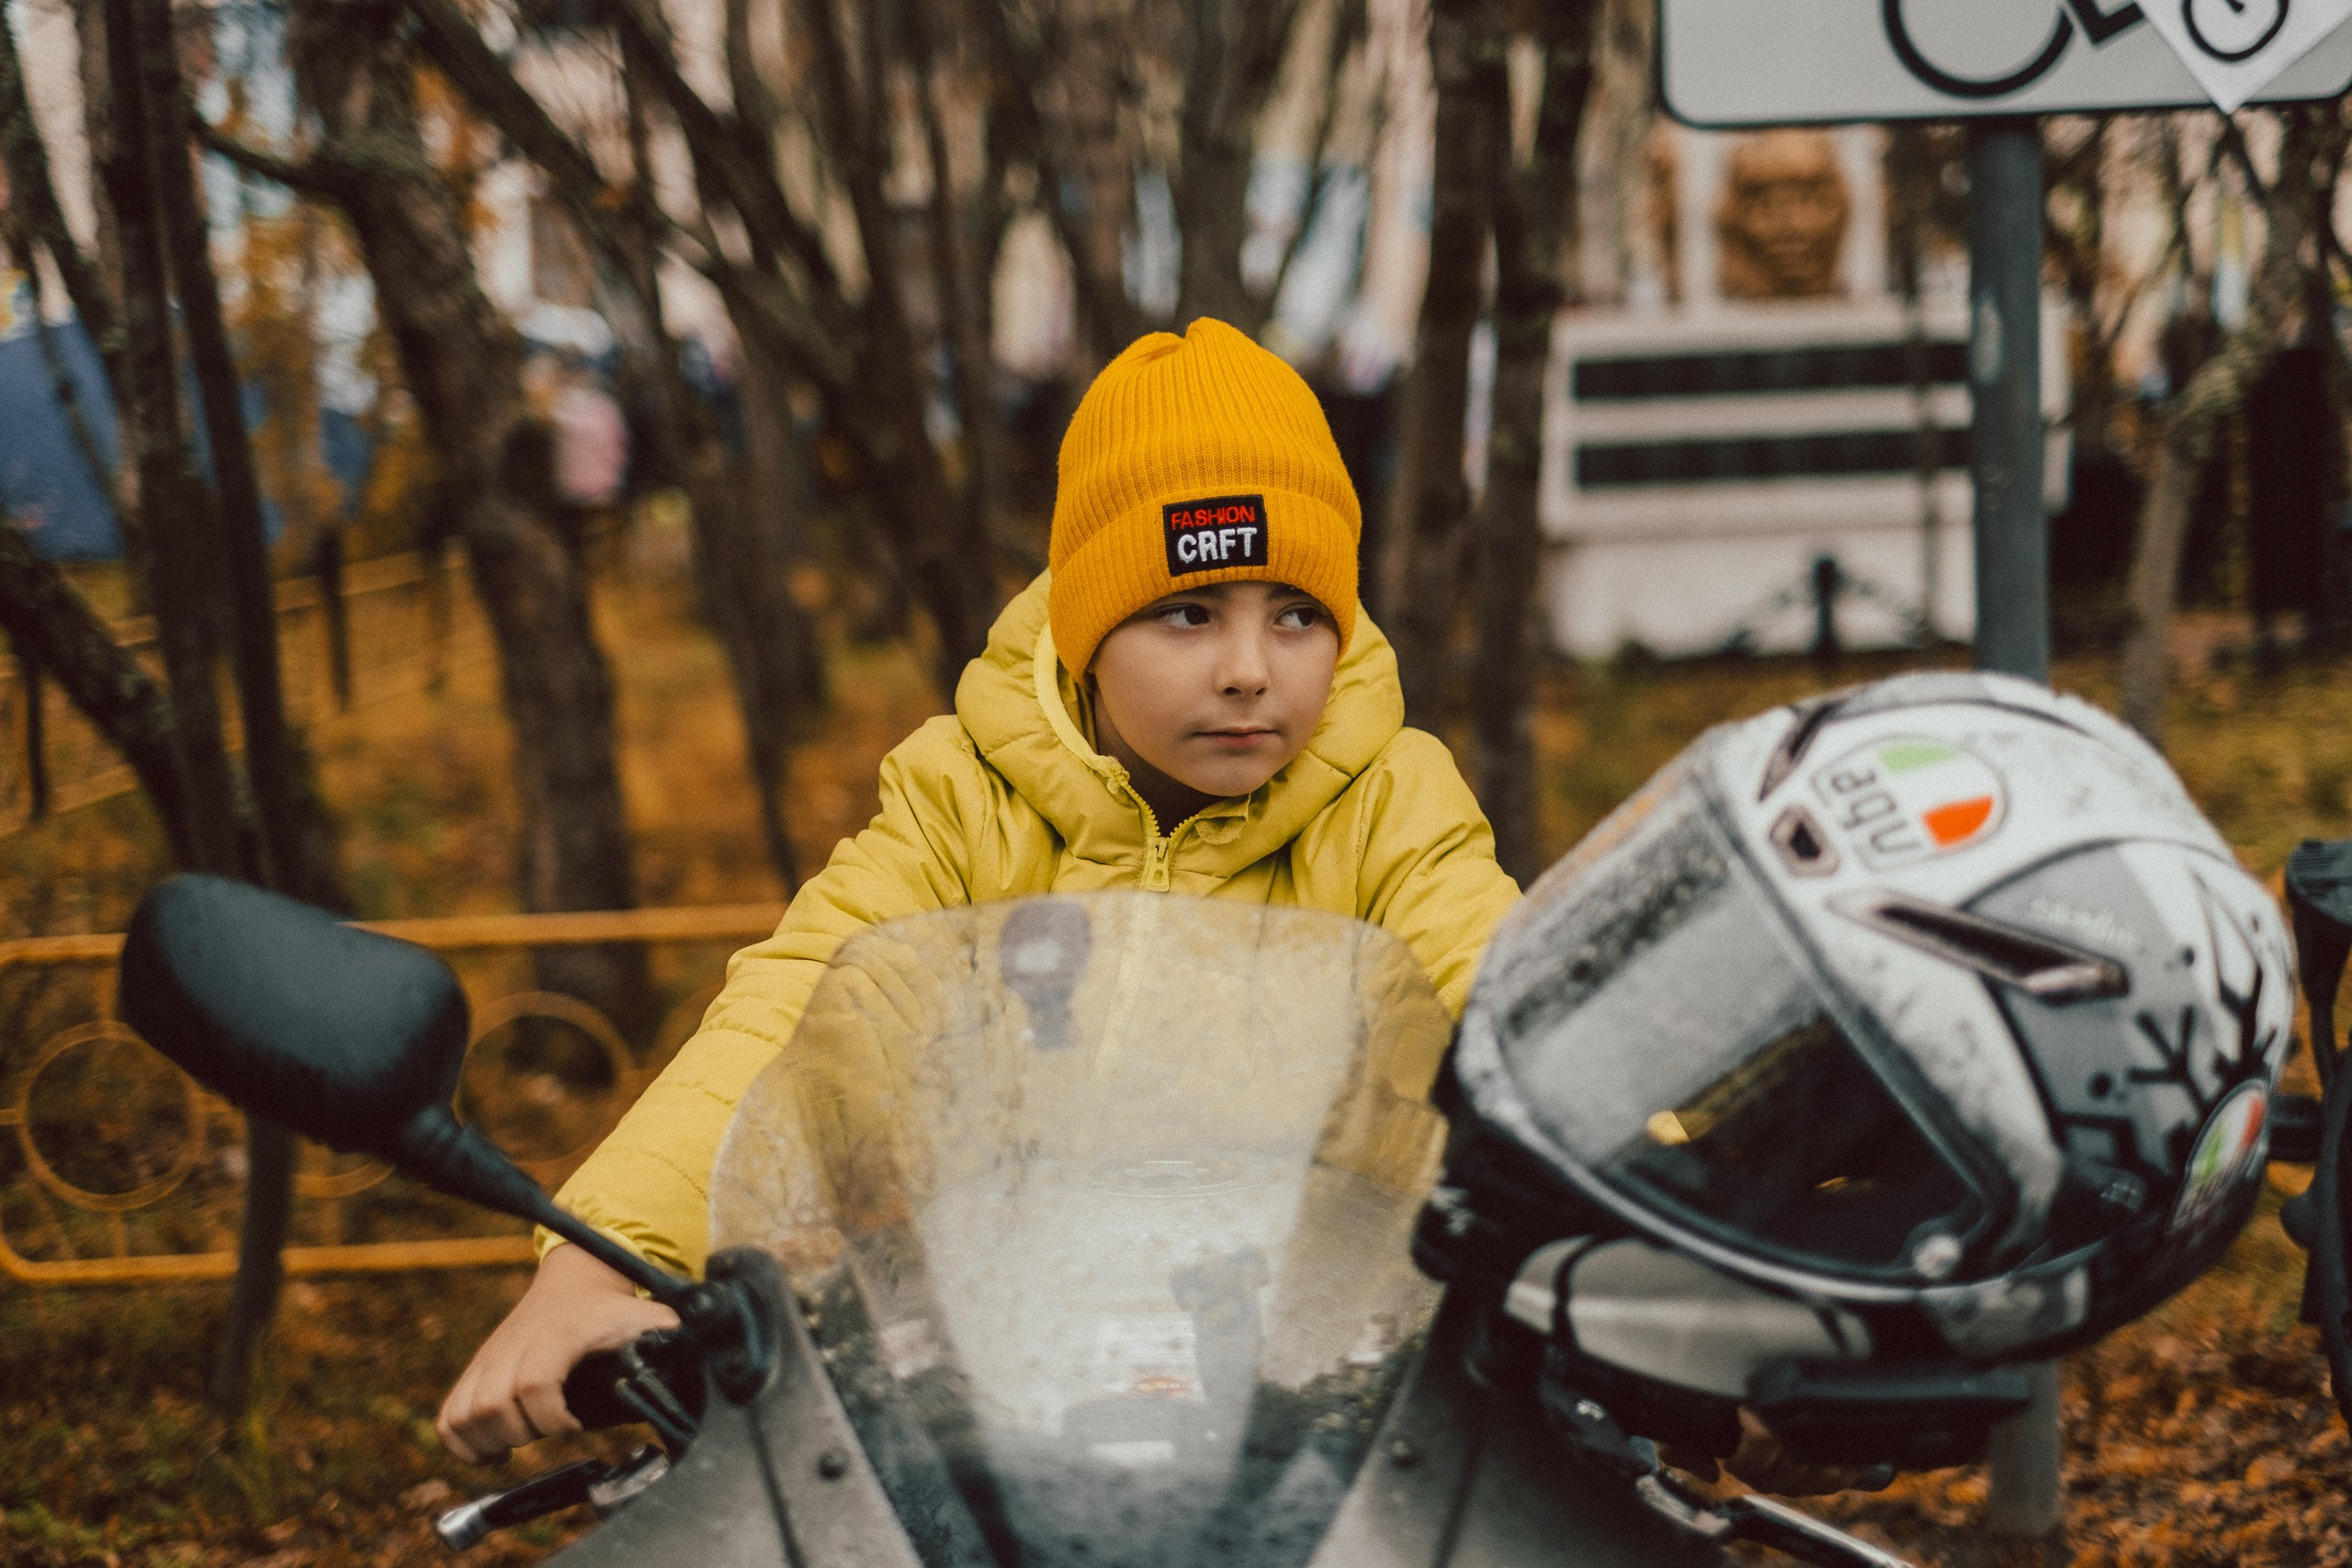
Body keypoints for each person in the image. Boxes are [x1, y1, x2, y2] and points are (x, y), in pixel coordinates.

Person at [438, 318, 1523, 1463]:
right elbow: (795, 1012)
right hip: (988, 1416)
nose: (1250, 668)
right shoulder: (964, 800)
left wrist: (1680, 1264)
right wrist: (597, 1260)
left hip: (1330, 1413)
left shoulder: (1392, 802)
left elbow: (1514, 1015)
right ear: (1088, 629)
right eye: (1188, 612)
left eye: (1297, 615)